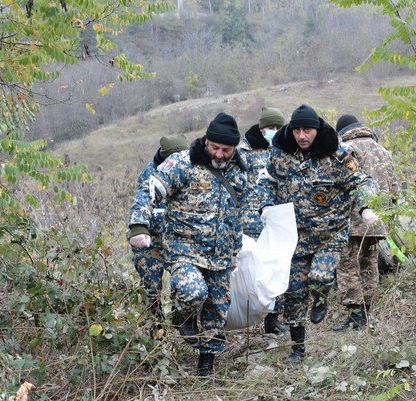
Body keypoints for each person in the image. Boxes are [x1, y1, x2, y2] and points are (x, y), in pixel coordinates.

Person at [128, 113, 247, 377]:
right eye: (214, 147)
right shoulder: (182, 163)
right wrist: (138, 225)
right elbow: (150, 189)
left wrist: (236, 249)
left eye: (225, 150)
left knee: (218, 310)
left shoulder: (239, 171)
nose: (218, 154)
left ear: (234, 148)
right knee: (193, 292)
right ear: (206, 140)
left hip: (221, 255)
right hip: (184, 250)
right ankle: (183, 316)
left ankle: (207, 367)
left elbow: (237, 213)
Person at [261, 104, 379, 363]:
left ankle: (321, 297)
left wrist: (366, 207)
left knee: (321, 276)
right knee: (293, 292)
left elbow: (362, 181)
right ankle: (297, 348)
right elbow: (266, 181)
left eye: (308, 130)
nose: (302, 136)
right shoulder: (280, 153)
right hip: (294, 236)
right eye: (297, 131)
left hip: (330, 234)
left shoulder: (336, 154)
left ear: (317, 129)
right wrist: (266, 205)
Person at [332, 114, 398, 331]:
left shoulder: (346, 150)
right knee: (369, 263)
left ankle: (355, 314)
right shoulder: (384, 151)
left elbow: (342, 185)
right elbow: (396, 188)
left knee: (348, 264)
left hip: (353, 219)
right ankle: (367, 310)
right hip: (378, 220)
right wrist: (389, 218)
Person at [128, 135, 188, 325]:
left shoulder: (190, 171)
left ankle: (181, 322)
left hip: (177, 240)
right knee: (151, 289)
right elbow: (143, 206)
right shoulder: (150, 175)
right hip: (150, 242)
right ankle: (156, 328)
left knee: (183, 283)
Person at [238, 106, 288, 334]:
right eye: (270, 127)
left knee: (276, 268)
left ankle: (273, 319)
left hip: (275, 221)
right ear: (261, 128)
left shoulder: (284, 152)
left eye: (278, 127)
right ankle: (245, 314)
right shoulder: (243, 153)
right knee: (250, 270)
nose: (274, 131)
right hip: (248, 223)